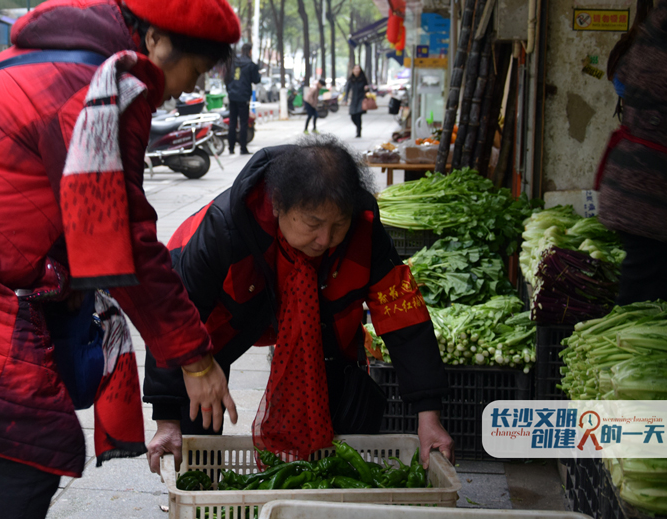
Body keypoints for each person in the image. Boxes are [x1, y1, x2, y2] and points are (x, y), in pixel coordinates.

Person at [0, 0, 240, 517]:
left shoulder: (58, 57)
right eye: (194, 71)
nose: (186, 88)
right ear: (157, 38)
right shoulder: (103, 86)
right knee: (35, 445)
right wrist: (194, 357)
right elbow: (127, 238)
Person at [144, 136, 454, 475]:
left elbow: (403, 313)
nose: (325, 239)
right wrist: (167, 418)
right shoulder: (224, 227)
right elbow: (172, 317)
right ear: (279, 206)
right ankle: (202, 482)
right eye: (313, 224)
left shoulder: (364, 229)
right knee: (200, 393)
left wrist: (429, 414)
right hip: (220, 313)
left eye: (337, 225)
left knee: (333, 400)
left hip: (312, 311)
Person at [596, 0, 667, 305]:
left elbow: (622, 78)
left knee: (642, 291)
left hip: (637, 188)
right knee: (643, 298)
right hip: (650, 196)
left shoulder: (654, 30)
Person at [226, 43, 261, 155]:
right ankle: (243, 148)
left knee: (232, 122)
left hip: (232, 96)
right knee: (243, 123)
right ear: (250, 51)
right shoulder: (251, 65)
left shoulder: (233, 63)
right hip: (244, 96)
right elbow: (256, 80)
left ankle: (231, 148)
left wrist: (230, 90)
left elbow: (227, 78)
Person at [343, 64, 370, 138]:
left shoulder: (363, 79)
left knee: (358, 116)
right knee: (352, 116)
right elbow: (347, 90)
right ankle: (358, 126)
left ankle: (358, 131)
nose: (356, 70)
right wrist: (345, 99)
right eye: (355, 69)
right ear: (353, 70)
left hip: (361, 99)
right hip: (353, 100)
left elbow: (368, 89)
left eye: (358, 69)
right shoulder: (351, 79)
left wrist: (366, 89)